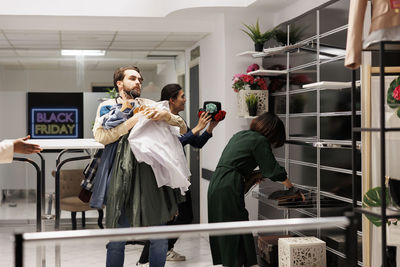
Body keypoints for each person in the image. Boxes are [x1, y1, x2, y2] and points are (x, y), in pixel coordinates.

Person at [92, 66, 187, 267]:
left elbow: (183, 127)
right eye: (133, 78)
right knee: (117, 239)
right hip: (119, 175)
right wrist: (133, 121)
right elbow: (101, 137)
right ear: (119, 83)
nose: (138, 82)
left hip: (151, 176)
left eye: (140, 80)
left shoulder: (150, 105)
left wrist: (166, 117)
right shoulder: (107, 107)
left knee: (159, 237)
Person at [136, 83, 219, 265]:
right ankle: (151, 256)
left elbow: (196, 143)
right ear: (172, 100)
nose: (185, 100)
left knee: (184, 216)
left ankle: (158, 251)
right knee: (167, 219)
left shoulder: (178, 120)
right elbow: (173, 144)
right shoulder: (160, 118)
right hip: (164, 177)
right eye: (182, 96)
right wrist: (197, 128)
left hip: (178, 176)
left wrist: (210, 127)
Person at [207, 112, 295, 267]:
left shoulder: (241, 135)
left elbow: (237, 163)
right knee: (236, 228)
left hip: (217, 182)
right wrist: (290, 186)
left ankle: (233, 262)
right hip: (229, 185)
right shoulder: (260, 140)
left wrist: (253, 175)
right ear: (272, 132)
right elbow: (272, 170)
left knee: (227, 229)